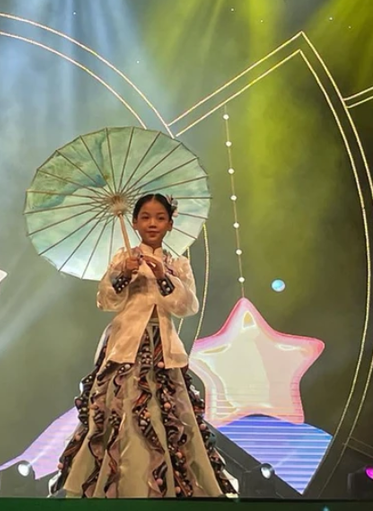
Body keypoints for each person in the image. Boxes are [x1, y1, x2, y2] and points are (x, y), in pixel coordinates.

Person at [52, 193, 237, 499]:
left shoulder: (178, 263)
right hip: (125, 345)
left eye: (160, 218)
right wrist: (123, 274)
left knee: (167, 414)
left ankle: (167, 489)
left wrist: (164, 277)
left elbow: (187, 306)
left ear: (170, 224)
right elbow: (106, 301)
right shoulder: (122, 258)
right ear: (135, 223)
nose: (153, 223)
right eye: (146, 217)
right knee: (119, 410)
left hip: (163, 349)